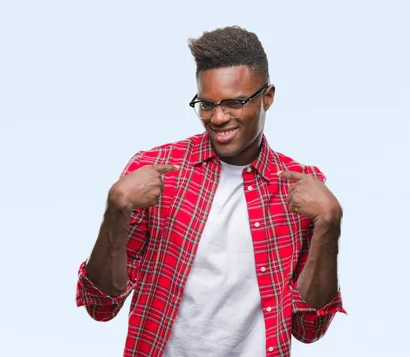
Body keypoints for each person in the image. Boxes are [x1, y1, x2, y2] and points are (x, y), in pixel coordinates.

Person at [75, 26, 346, 357]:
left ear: (268, 97)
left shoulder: (301, 186)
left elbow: (310, 328)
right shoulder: (154, 170)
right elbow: (101, 306)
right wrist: (115, 208)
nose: (218, 117)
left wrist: (329, 224)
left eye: (234, 102)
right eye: (207, 104)